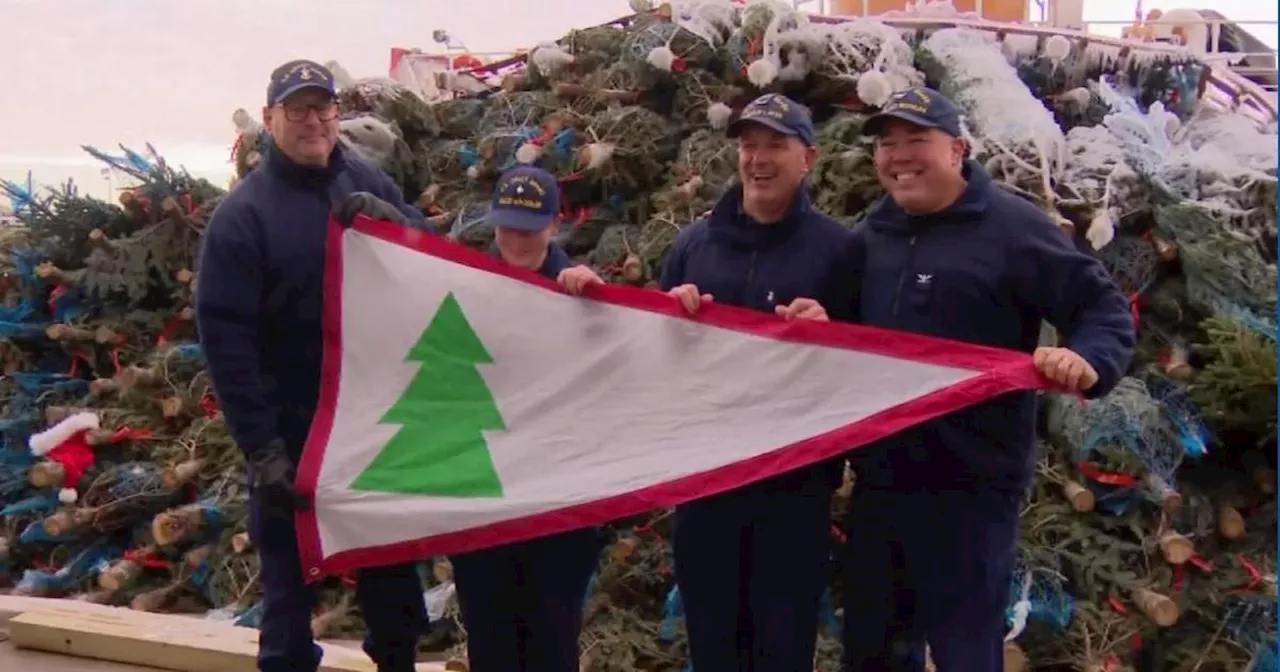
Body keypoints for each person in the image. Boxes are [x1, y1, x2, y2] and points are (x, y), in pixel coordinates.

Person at [840, 87, 1135, 672]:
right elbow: (843, 327)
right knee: (873, 650)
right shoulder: (873, 233)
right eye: (886, 143)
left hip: (971, 488)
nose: (899, 155)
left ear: (957, 148)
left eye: (915, 139)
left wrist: (1087, 358)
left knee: (964, 652)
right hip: (882, 483)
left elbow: (1101, 308)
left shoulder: (1013, 229)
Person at [195, 59, 429, 672]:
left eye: (322, 107)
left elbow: (428, 261)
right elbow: (227, 339)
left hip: (376, 423)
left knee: (394, 591)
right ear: (270, 118)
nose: (313, 121)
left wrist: (397, 224)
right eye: (296, 109)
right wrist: (262, 448)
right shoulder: (244, 216)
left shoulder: (369, 181)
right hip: (292, 428)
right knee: (290, 602)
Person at [659, 94, 861, 672]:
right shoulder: (693, 246)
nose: (759, 159)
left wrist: (832, 332)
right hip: (706, 482)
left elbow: (869, 364)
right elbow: (655, 360)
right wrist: (669, 318)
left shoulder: (840, 252)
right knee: (712, 641)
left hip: (791, 486)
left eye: (776, 145)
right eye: (749, 146)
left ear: (810, 159)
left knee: (782, 642)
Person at [447, 165, 605, 672]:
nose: (516, 238)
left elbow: (615, 375)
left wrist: (599, 307)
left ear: (553, 227)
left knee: (551, 642)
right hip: (481, 500)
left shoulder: (580, 292)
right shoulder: (464, 287)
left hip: (558, 507)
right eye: (507, 225)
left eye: (529, 226)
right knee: (490, 643)